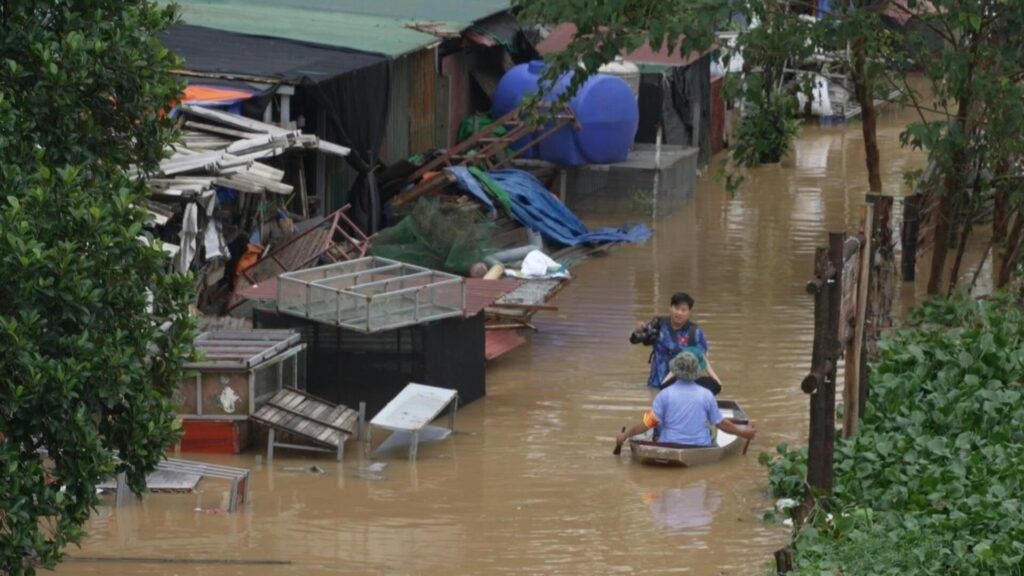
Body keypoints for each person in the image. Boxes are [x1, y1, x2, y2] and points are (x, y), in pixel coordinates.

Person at [615, 351, 755, 449]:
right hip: (700, 446)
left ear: (675, 371)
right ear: (697, 372)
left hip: (669, 445)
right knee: (712, 428)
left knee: (659, 424)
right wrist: (742, 432)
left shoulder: (664, 395)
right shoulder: (706, 395)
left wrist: (625, 435)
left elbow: (647, 424)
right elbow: (721, 423)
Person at [630, 292, 722, 400]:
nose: (679, 313)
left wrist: (717, 381)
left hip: (684, 388)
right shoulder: (658, 324)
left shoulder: (694, 332)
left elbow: (702, 358)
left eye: (683, 310)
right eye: (676, 308)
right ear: (670, 308)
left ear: (689, 312)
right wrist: (637, 331)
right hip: (657, 386)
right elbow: (635, 340)